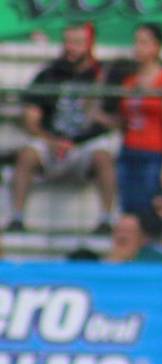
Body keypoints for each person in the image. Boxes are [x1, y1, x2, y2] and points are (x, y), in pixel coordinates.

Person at [7, 23, 118, 234]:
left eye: (78, 43)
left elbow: (117, 120)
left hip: (87, 145)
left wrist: (97, 118)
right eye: (67, 42)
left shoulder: (103, 77)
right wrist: (52, 141)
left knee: (104, 157)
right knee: (27, 155)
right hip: (52, 143)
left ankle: (106, 219)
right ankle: (16, 218)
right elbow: (31, 120)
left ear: (90, 44)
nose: (71, 48)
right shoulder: (48, 75)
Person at [116, 24, 162, 214]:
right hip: (129, 151)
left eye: (144, 42)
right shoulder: (129, 81)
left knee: (149, 210)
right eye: (136, 42)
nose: (138, 47)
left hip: (153, 154)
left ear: (156, 47)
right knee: (129, 208)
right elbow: (123, 119)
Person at [106, 195, 162, 264]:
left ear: (143, 238)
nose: (122, 235)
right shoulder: (101, 265)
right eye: (119, 230)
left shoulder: (153, 260)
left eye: (129, 231)